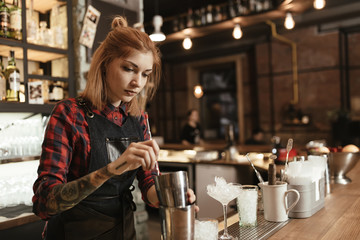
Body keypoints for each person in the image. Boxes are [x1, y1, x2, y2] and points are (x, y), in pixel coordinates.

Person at [32, 16, 197, 240]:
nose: (138, 82)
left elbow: (148, 182)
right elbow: (44, 203)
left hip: (122, 231)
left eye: (145, 74)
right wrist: (111, 169)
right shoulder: (69, 114)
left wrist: (170, 198)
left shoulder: (138, 119)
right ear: (105, 63)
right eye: (129, 69)